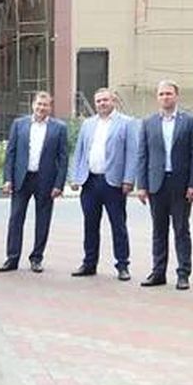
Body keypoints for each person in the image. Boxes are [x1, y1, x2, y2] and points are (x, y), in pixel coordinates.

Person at [131, 80, 193, 290]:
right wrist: (141, 185)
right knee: (158, 230)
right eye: (161, 94)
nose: (165, 97)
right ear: (157, 97)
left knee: (181, 229)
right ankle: (158, 272)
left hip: (181, 184)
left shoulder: (190, 121)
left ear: (176, 96)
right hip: (157, 184)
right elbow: (142, 154)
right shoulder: (148, 122)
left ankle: (183, 273)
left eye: (169, 93)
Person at [67, 87, 136, 280]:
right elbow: (80, 151)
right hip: (89, 181)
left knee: (118, 226)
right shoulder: (88, 124)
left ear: (113, 101)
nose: (102, 104)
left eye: (105, 100)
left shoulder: (127, 123)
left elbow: (132, 153)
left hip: (113, 183)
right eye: (98, 101)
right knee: (90, 225)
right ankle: (89, 263)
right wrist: (75, 176)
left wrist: (129, 179)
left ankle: (122, 265)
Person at [0, 91, 67, 272]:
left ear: (50, 107)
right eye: (39, 104)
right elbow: (11, 153)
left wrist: (59, 184)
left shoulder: (59, 128)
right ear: (33, 105)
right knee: (15, 218)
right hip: (22, 179)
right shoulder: (19, 124)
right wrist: (7, 179)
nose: (41, 108)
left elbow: (63, 158)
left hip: (45, 180)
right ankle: (12, 258)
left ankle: (36, 258)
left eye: (45, 105)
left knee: (43, 220)